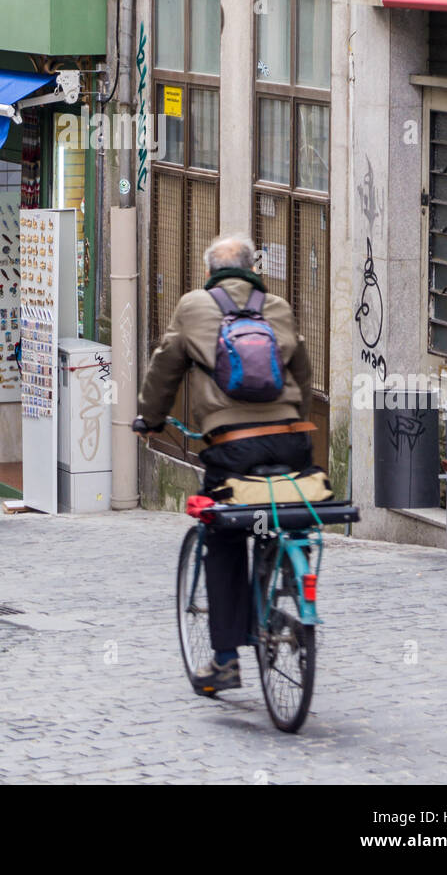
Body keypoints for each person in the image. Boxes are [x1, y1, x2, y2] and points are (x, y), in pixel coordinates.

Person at [135, 233, 314, 695]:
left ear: (210, 268)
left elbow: (165, 367)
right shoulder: (278, 306)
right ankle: (289, 569)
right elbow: (305, 373)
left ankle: (226, 659)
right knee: (287, 513)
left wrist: (150, 419)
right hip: (292, 442)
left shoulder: (194, 306)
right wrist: (294, 423)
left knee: (224, 534)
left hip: (234, 448)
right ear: (253, 267)